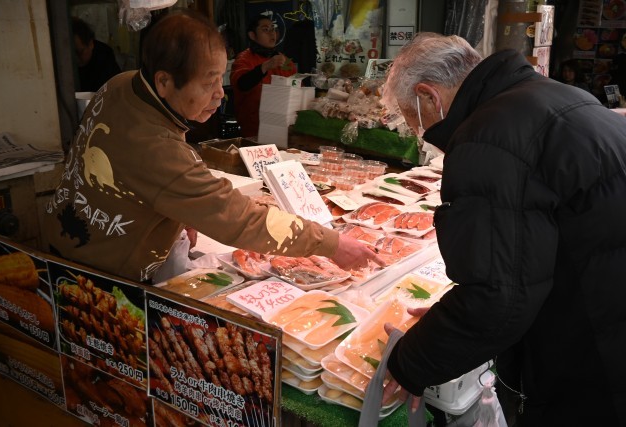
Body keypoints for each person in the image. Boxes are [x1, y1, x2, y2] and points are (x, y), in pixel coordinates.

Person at [379, 33, 626, 425]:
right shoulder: (552, 94)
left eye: (411, 120)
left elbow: (498, 298)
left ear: (428, 96)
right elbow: (521, 266)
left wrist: (412, 361)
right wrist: (449, 318)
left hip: (591, 354)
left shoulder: (488, 135)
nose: (418, 133)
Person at [42, 12, 382, 284]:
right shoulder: (157, 150)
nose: (220, 94)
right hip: (94, 273)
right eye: (208, 83)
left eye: (221, 78)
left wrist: (178, 210)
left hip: (62, 234)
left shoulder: (122, 84)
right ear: (164, 81)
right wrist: (332, 244)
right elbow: (239, 219)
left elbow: (141, 171)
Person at [230, 14, 297, 137]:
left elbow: (297, 87)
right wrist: (264, 67)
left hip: (285, 128)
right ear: (252, 35)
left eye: (273, 29)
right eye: (265, 29)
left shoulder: (284, 60)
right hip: (254, 130)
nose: (272, 33)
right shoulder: (244, 58)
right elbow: (241, 84)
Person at [72, 16, 121, 92]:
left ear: (90, 44)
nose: (75, 58)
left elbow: (116, 88)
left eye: (79, 52)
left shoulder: (105, 56)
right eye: (72, 54)